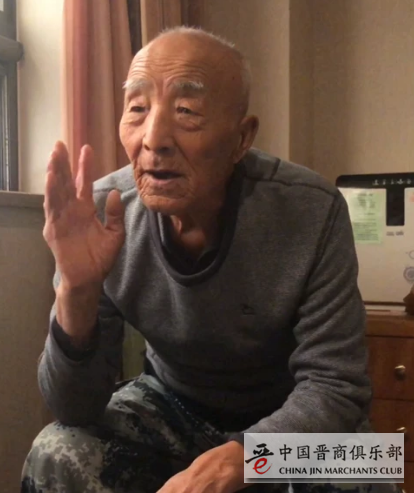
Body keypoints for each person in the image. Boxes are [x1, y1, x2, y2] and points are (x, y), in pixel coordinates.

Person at [21, 27, 393, 493]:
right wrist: (76, 293)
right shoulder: (103, 213)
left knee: (372, 468)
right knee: (56, 450)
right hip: (173, 409)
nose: (154, 138)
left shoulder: (312, 210)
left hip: (291, 417)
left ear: (242, 138)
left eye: (186, 111)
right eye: (137, 109)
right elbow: (73, 408)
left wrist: (245, 459)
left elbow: (338, 387)